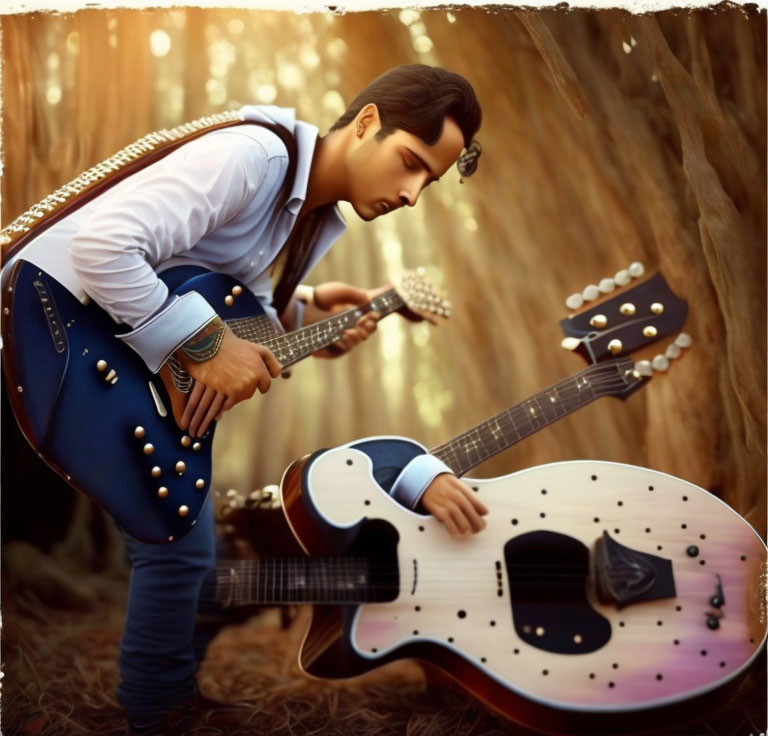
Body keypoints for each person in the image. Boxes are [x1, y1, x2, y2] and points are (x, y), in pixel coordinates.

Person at [2, 64, 487, 734]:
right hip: (55, 322)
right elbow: (104, 247)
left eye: (427, 182)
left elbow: (221, 298)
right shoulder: (254, 157)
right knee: (179, 544)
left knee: (183, 542)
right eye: (410, 163)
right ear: (368, 121)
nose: (410, 193)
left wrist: (308, 312)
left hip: (101, 347)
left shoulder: (306, 221)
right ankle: (159, 710)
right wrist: (202, 348)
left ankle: (159, 703)